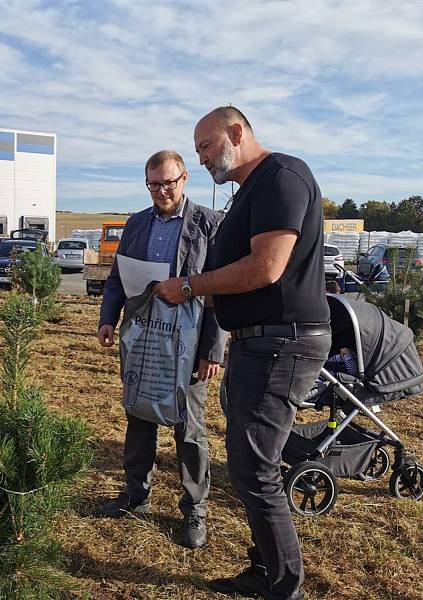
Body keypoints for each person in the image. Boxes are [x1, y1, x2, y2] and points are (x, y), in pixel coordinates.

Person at [154, 107, 331, 600]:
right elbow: (238, 277)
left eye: (206, 146)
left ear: (236, 132)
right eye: (197, 151)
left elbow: (267, 267)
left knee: (255, 468)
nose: (203, 157)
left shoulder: (282, 177)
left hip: (282, 341)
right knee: (250, 462)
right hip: (258, 340)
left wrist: (189, 286)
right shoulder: (249, 192)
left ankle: (283, 586)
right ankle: (265, 570)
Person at [95, 150, 227, 550]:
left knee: (189, 427)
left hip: (189, 345)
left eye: (168, 183)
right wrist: (107, 318)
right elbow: (118, 278)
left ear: (184, 178)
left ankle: (195, 509)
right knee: (139, 415)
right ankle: (136, 496)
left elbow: (220, 288)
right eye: (154, 184)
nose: (161, 191)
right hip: (144, 338)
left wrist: (213, 348)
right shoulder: (136, 224)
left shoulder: (209, 224)